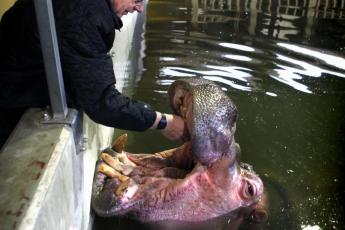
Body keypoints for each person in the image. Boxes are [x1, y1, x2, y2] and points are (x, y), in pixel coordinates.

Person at [0, 0, 188, 147]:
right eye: (137, 0)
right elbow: (103, 103)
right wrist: (164, 122)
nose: (139, 8)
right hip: (11, 105)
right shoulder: (84, 16)